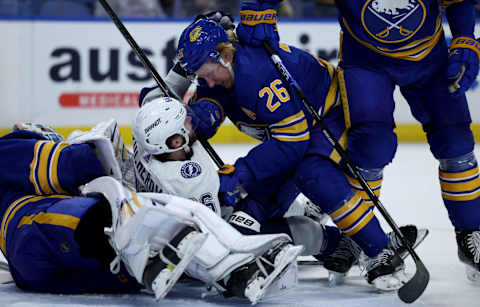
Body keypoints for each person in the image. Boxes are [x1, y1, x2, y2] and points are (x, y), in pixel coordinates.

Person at [145, 15, 428, 291]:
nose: (204, 80)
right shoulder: (218, 75)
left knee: (313, 175)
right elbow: (211, 104)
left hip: (328, 116)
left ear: (224, 56)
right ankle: (337, 244)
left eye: (205, 72)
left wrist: (242, 173)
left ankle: (379, 250)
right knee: (250, 210)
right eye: (198, 75)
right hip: (291, 134)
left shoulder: (257, 73)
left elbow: (292, 142)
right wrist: (194, 123)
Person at [235, 0, 480, 283]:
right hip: (366, 62)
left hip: (429, 60)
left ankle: (471, 233)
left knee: (456, 142)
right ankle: (360, 237)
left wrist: (465, 37)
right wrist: (259, 7)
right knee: (371, 146)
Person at [0, 122, 303, 304]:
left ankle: (233, 271)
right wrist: (99, 152)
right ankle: (159, 251)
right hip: (43, 230)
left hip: (46, 263)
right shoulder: (14, 151)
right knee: (129, 205)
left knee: (165, 233)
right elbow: (72, 164)